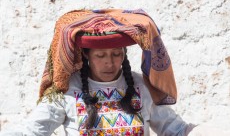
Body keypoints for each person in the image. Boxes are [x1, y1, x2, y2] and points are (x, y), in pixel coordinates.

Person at [1, 9, 229, 136]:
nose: (110, 62)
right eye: (100, 55)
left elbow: (176, 129)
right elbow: (32, 131)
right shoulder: (66, 90)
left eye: (116, 54)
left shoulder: (141, 87)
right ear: (87, 55)